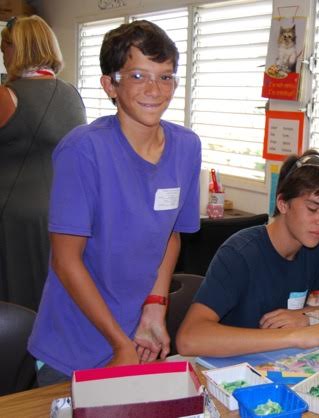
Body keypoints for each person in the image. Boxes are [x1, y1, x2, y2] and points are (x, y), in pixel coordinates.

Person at [28, 20, 201, 386]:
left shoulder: (186, 147)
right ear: (111, 85)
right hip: (75, 343)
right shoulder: (83, 150)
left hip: (138, 335)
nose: (154, 90)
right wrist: (118, 343)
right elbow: (66, 260)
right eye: (138, 76)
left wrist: (155, 307)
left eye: (166, 77)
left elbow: (170, 236)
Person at [177, 149, 319, 357]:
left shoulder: (314, 250)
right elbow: (189, 339)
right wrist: (295, 336)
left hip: (278, 363)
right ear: (283, 204)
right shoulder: (240, 254)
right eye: (313, 209)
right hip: (230, 366)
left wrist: (306, 316)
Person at [0, 15, 86, 310]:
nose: (2, 54)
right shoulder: (72, 93)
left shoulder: (6, 96)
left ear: (16, 48)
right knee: (50, 298)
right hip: (63, 213)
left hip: (13, 217)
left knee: (14, 301)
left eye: (4, 47)